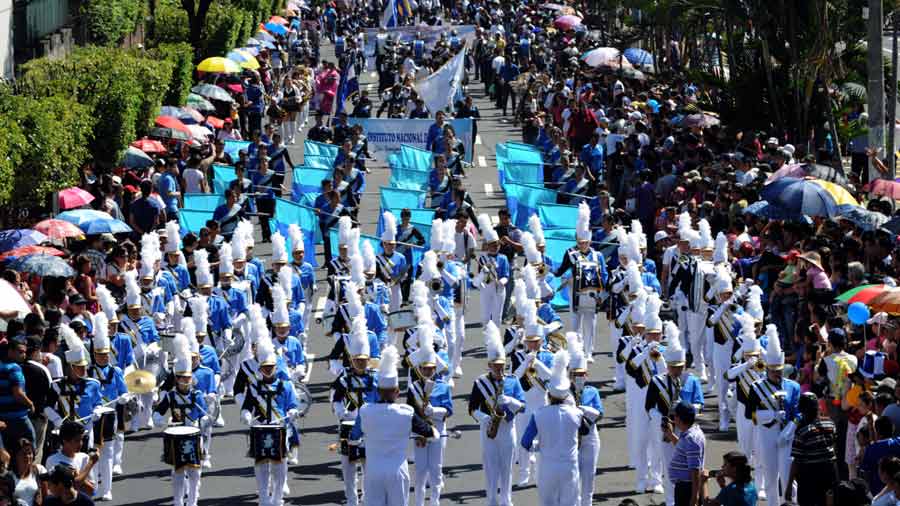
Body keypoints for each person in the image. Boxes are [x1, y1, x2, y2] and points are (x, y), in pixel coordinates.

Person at [350, 345, 437, 506]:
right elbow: (432, 433)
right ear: (397, 391)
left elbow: (353, 438)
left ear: (378, 390)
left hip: (373, 472)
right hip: (397, 473)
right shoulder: (406, 412)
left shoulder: (365, 411)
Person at [239, 331, 301, 506]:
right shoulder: (253, 388)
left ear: (276, 367)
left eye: (271, 367)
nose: (268, 370)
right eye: (265, 368)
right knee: (261, 465)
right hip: (260, 428)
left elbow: (292, 404)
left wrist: (293, 411)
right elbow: (247, 406)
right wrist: (246, 414)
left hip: (279, 428)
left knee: (279, 464)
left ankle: (278, 497)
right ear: (260, 369)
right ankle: (264, 498)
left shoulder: (286, 386)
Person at [467, 322, 525, 506]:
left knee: (506, 467)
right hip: (488, 429)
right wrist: (484, 418)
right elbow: (472, 408)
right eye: (496, 366)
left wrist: (510, 401)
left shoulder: (513, 381)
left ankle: (506, 499)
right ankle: (491, 499)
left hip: (508, 428)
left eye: (502, 366)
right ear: (489, 365)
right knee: (491, 468)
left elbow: (522, 406)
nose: (499, 369)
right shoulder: (480, 383)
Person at [520, 348, 582, 506]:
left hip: (548, 466)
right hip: (570, 465)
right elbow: (583, 435)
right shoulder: (577, 414)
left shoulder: (539, 414)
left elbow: (525, 442)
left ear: (549, 395)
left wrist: (539, 446)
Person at [553, 202, 608, 363]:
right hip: (575, 293)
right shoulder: (570, 253)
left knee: (591, 324)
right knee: (576, 323)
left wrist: (601, 293)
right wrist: (548, 265)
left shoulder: (598, 256)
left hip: (593, 294)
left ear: (590, 241)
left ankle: (589, 352)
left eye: (586, 242)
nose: (583, 245)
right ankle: (575, 350)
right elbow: (560, 271)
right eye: (581, 242)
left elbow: (603, 274)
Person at [787, 391, 838, 506]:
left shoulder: (803, 431)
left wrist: (789, 485)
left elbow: (797, 461)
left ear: (803, 410)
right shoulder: (830, 424)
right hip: (830, 473)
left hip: (810, 477)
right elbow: (833, 450)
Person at [663, 401, 706, 506]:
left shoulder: (692, 439)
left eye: (674, 416)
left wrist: (694, 498)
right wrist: (670, 435)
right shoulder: (690, 433)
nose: (673, 419)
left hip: (687, 490)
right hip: (684, 488)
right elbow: (686, 450)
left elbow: (695, 470)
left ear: (680, 418)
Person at [860, 417, 900, 496]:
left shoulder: (871, 449)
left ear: (877, 432)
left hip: (878, 492)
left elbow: (865, 472)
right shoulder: (898, 442)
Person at [12, 438, 45, 506]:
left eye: (29, 453)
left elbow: (46, 495)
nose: (27, 456)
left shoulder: (38, 470)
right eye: (23, 453)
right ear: (16, 456)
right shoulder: (8, 477)